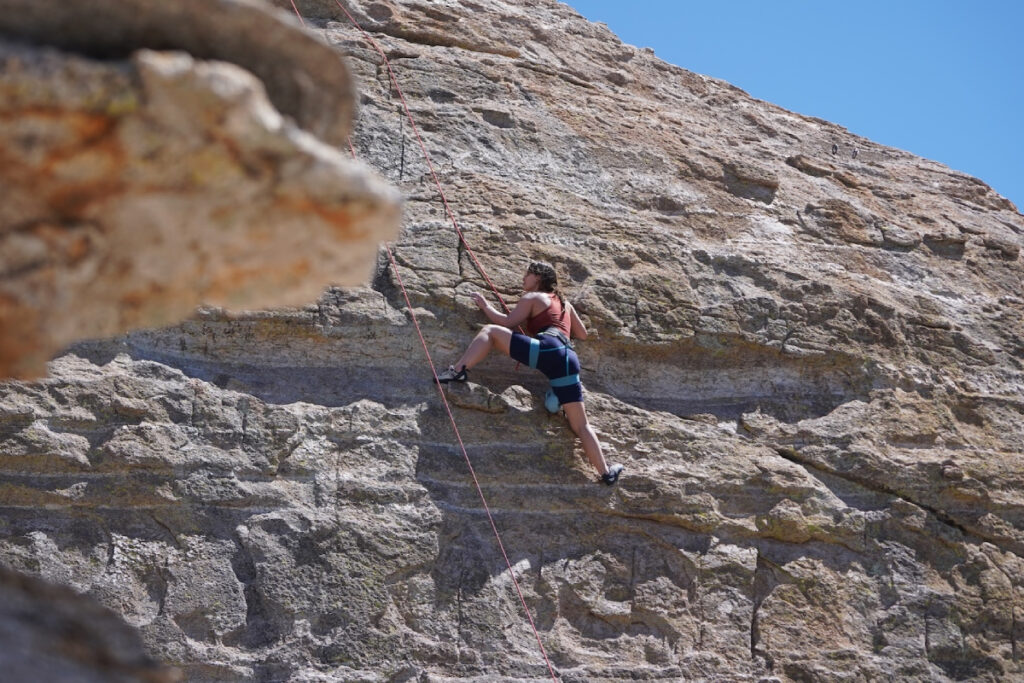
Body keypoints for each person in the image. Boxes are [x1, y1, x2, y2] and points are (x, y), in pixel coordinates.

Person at [436, 261, 624, 486]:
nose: (523, 279)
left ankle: (458, 371)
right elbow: (581, 334)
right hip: (569, 359)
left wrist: (486, 306)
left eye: (527, 274)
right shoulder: (565, 303)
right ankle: (606, 472)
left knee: (490, 332)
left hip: (547, 349)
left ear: (538, 278)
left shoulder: (533, 298)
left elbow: (507, 322)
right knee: (581, 424)